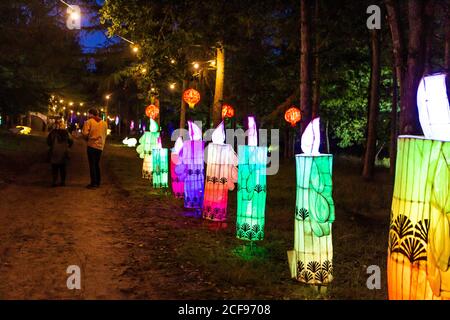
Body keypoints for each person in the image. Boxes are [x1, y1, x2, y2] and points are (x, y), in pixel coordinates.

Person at [82, 108, 108, 189]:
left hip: (92, 145)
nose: (87, 115)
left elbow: (85, 133)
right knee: (96, 164)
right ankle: (98, 181)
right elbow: (105, 134)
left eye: (88, 114)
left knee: (92, 164)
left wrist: (87, 138)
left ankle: (93, 183)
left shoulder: (88, 122)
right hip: (100, 146)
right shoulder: (104, 123)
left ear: (91, 114)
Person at [47, 118, 73, 187]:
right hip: (64, 152)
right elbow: (71, 142)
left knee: (54, 167)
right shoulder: (66, 133)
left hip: (55, 152)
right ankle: (62, 181)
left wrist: (52, 146)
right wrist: (68, 147)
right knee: (63, 167)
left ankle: (54, 181)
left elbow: (48, 141)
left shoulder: (53, 133)